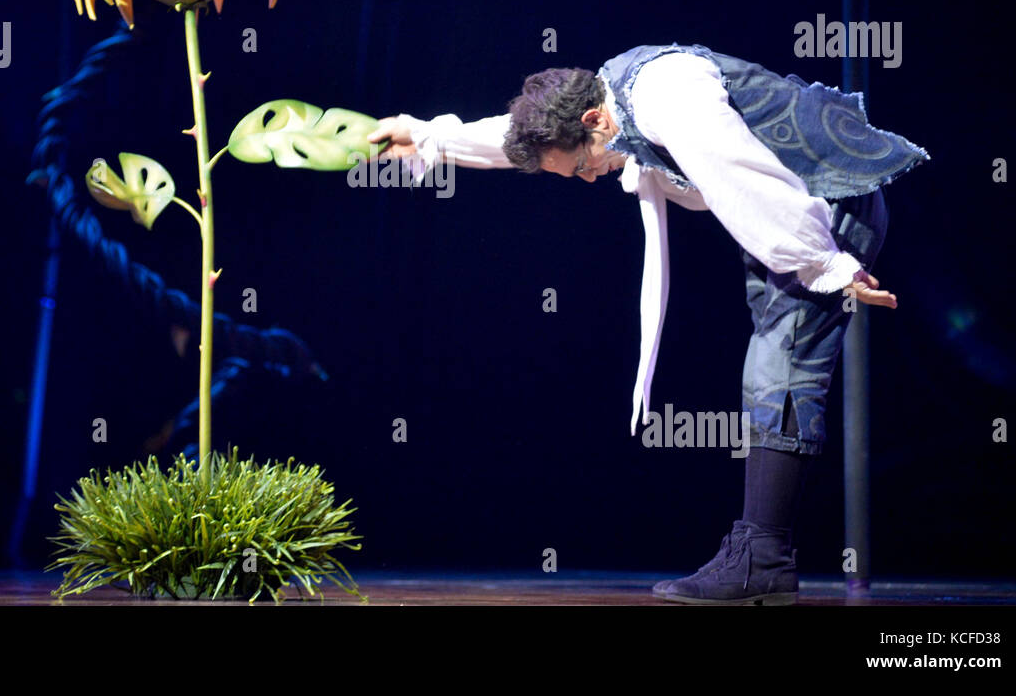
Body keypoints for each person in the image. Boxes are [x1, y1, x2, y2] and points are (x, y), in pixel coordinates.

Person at [366, 42, 928, 605]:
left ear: (594, 121)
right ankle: (761, 555)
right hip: (784, 213)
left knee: (781, 361)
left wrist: (825, 263)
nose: (590, 178)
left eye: (583, 165)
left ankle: (763, 558)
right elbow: (517, 138)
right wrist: (426, 138)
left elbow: (737, 171)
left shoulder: (667, 94)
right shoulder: (607, 103)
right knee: (770, 364)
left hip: (821, 203)